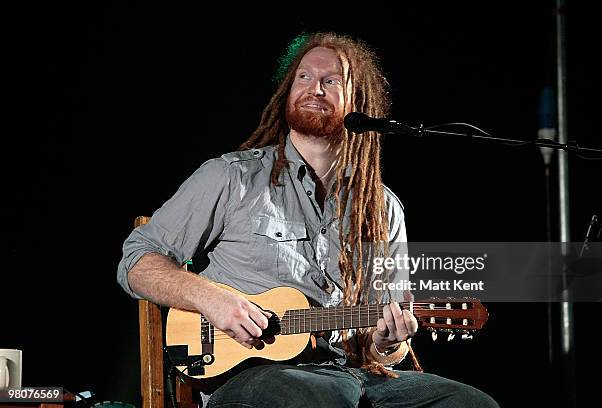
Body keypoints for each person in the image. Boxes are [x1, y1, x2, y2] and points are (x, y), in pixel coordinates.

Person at [118, 32, 499, 407]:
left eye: (330, 81)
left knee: (470, 402)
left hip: (354, 372)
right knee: (318, 397)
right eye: (304, 77)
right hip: (257, 374)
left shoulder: (382, 208)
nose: (314, 88)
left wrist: (388, 341)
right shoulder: (231, 178)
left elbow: (382, 345)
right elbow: (137, 261)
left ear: (359, 103)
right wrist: (212, 298)